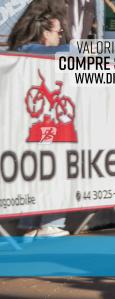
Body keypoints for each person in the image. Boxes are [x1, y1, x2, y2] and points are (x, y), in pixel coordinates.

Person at [10, 14, 70, 238]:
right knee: (51, 170)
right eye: (58, 32)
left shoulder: (29, 52)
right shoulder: (32, 50)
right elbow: (70, 53)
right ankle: (49, 223)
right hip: (39, 125)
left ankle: (32, 226)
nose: (61, 36)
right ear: (46, 34)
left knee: (39, 173)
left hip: (37, 124)